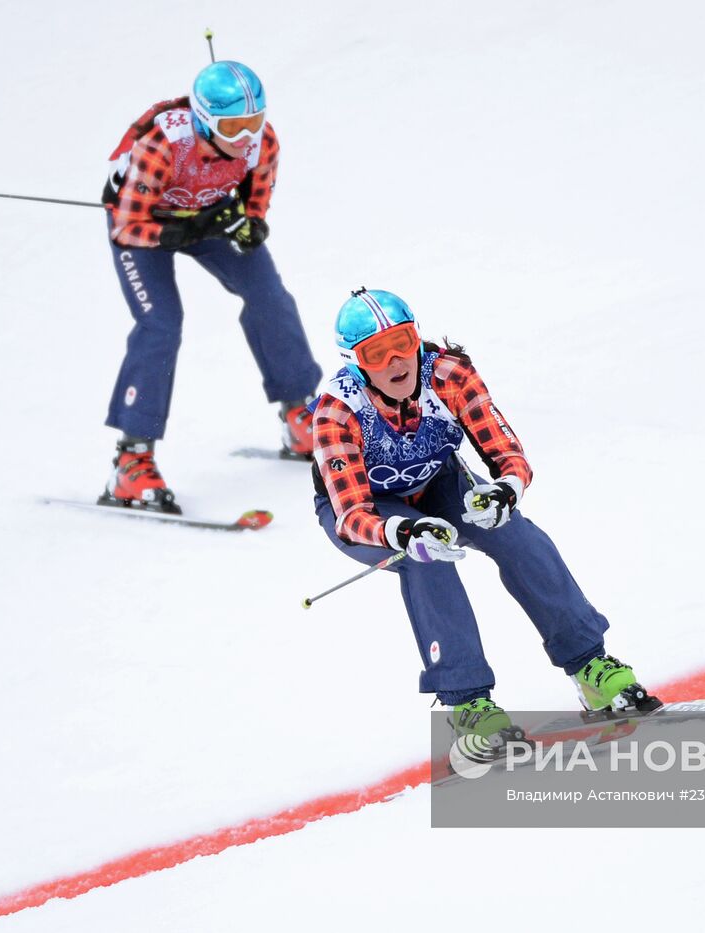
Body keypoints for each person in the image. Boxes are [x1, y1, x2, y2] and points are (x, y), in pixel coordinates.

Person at [310, 288, 660, 744]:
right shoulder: (338, 409)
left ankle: (589, 663)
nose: (396, 361)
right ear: (355, 361)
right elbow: (350, 514)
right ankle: (467, 703)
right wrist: (399, 531)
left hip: (439, 481)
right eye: (376, 353)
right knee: (426, 560)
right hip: (373, 509)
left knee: (517, 538)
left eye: (404, 341)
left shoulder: (449, 374)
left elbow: (507, 452)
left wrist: (504, 490)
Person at [97, 60, 322, 514]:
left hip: (213, 219)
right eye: (233, 126)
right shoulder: (164, 145)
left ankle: (300, 415)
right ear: (203, 120)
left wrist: (251, 226)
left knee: (270, 296)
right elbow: (125, 224)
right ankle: (131, 461)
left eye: (253, 122)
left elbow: (256, 201)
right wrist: (170, 232)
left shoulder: (263, 143)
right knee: (162, 323)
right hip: (148, 229)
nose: (245, 137)